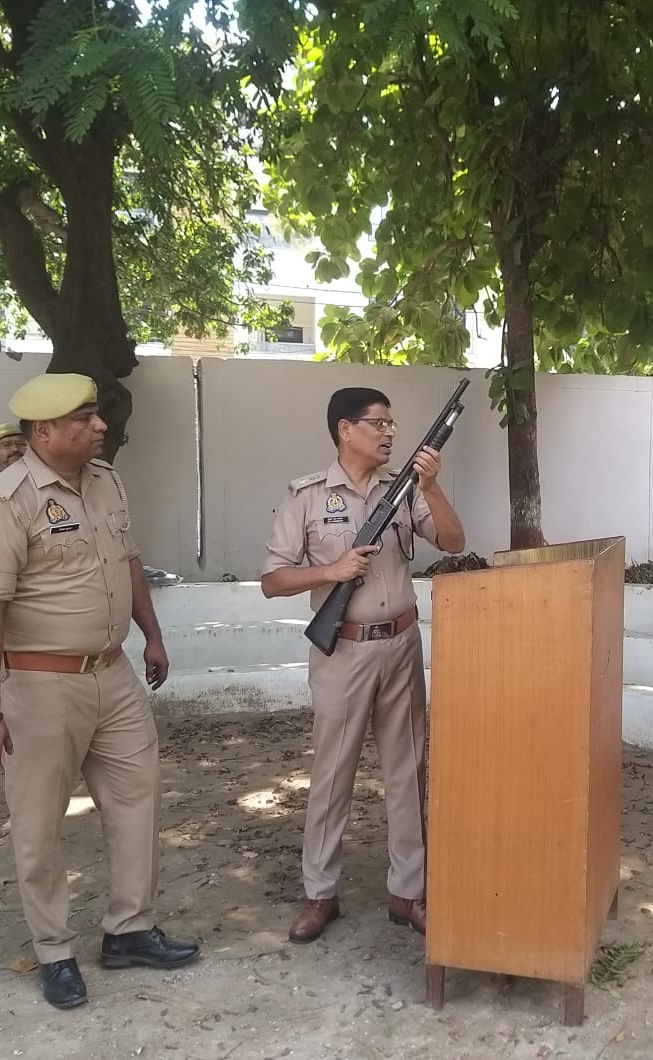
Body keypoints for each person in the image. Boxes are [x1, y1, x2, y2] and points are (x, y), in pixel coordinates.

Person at [0, 373, 199, 1010]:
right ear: (44, 431)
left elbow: (128, 560)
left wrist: (152, 636)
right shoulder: (3, 501)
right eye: (84, 418)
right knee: (38, 822)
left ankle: (129, 929)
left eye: (97, 414)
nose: (100, 426)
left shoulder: (106, 480)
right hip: (40, 684)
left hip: (113, 673)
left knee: (138, 798)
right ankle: (54, 950)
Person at [261, 386, 465, 943]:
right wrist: (331, 572)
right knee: (332, 776)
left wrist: (431, 486)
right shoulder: (305, 497)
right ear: (345, 430)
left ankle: (409, 892)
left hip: (401, 645)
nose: (389, 432)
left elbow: (453, 541)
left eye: (392, 424)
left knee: (408, 772)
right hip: (344, 651)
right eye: (378, 423)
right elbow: (273, 580)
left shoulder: (404, 490)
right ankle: (320, 894)